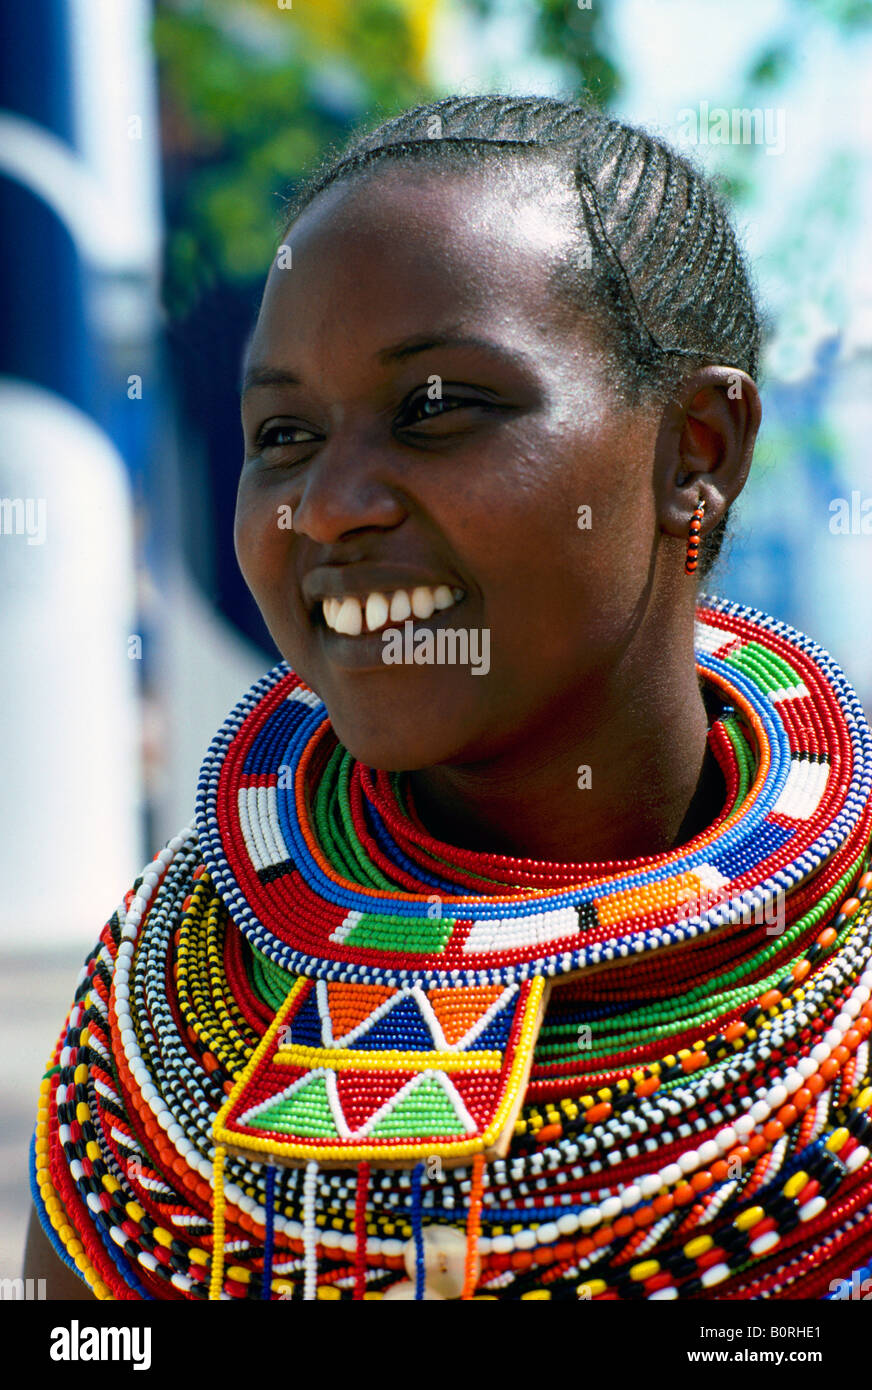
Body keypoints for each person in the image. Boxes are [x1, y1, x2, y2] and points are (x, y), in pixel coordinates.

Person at [25, 94, 872, 1301]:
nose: (326, 504)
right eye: (282, 432)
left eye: (436, 408)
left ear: (694, 449)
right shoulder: (157, 996)